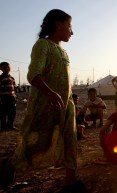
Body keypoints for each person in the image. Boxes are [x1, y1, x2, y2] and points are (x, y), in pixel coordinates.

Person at [0, 9, 86, 191]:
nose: (72, 31)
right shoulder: (42, 45)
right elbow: (33, 75)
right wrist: (50, 93)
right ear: (58, 24)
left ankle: (70, 182)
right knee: (38, 142)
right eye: (69, 26)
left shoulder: (63, 51)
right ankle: (10, 166)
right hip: (46, 105)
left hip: (66, 105)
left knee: (70, 140)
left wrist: (71, 103)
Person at [0, 62, 17, 131]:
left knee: (12, 112)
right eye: (5, 67)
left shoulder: (12, 78)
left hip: (12, 98)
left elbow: (14, 88)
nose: (7, 68)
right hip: (3, 98)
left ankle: (10, 125)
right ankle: (3, 127)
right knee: (3, 113)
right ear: (1, 69)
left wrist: (15, 96)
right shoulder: (0, 78)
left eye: (8, 67)